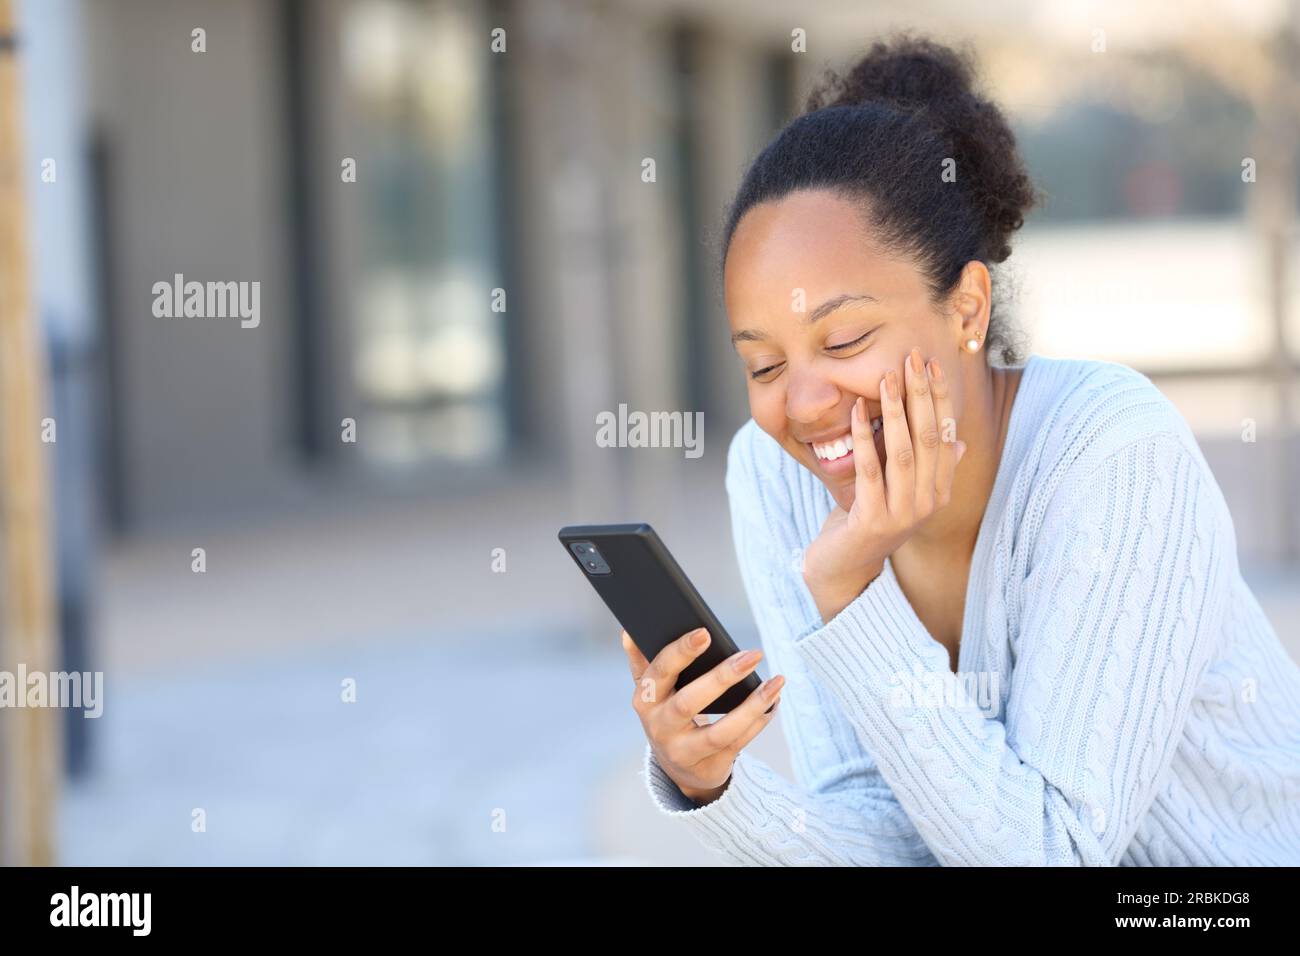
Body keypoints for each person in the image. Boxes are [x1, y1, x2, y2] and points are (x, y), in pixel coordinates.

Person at [621, 32, 1300, 866]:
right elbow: (891, 832)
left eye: (844, 340)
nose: (802, 403)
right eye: (762, 363)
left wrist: (852, 593)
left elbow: (1056, 853)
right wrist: (710, 786)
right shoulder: (776, 476)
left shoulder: (1112, 456)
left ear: (968, 309)